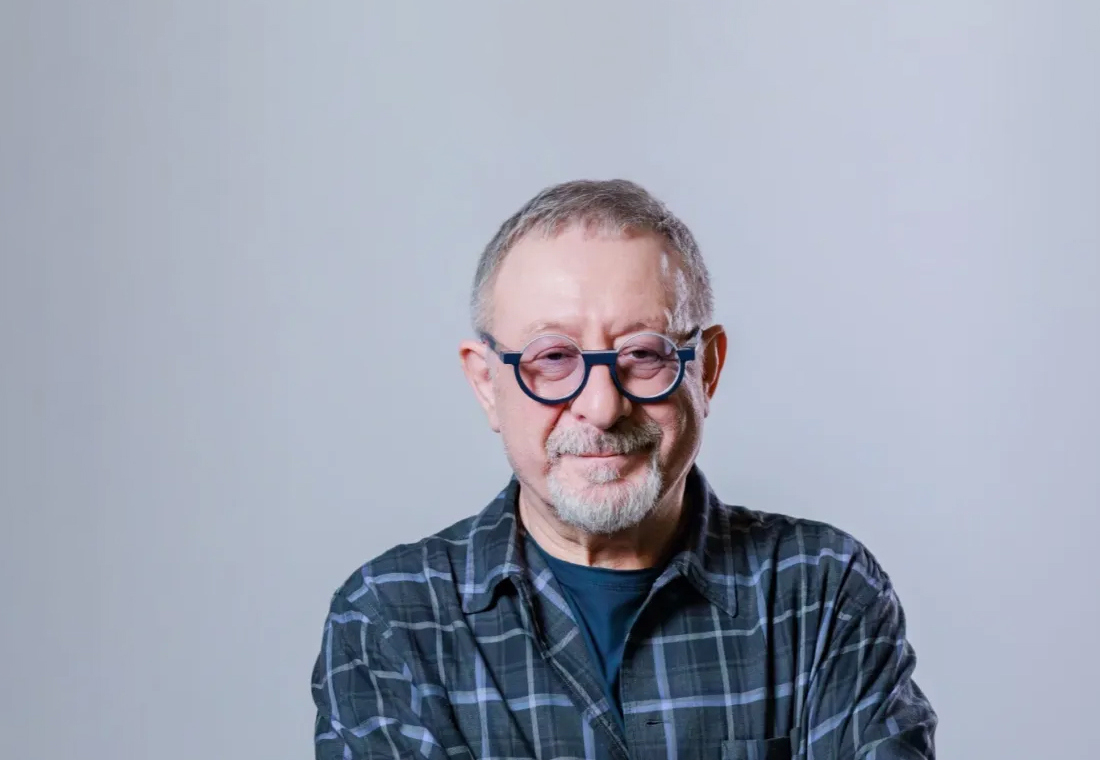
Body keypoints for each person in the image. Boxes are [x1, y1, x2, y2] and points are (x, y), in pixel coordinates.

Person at [310, 179, 937, 759]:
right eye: (552, 357)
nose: (602, 406)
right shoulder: (391, 620)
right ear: (485, 384)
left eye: (643, 353)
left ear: (707, 370)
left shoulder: (822, 592)